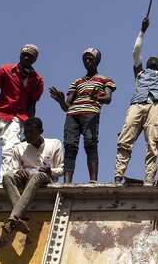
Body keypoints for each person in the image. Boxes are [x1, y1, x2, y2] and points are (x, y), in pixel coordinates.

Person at [0, 44, 44, 186]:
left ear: (34, 60)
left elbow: (32, 105)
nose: (25, 58)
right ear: (20, 56)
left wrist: (29, 127)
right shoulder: (5, 69)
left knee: (10, 149)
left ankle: (3, 179)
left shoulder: (37, 80)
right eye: (24, 55)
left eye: (29, 56)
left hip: (18, 118)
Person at [115, 14, 158, 185]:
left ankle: (149, 179)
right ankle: (118, 175)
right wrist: (142, 31)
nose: (154, 61)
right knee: (126, 138)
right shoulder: (139, 73)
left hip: (155, 104)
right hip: (137, 104)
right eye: (151, 61)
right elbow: (135, 52)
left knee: (153, 142)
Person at [49, 48, 116, 183]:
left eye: (90, 59)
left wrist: (96, 97)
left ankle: (93, 180)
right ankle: (67, 182)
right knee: (70, 146)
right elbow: (67, 106)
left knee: (90, 144)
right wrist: (61, 101)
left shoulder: (104, 80)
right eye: (85, 59)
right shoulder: (77, 82)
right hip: (72, 114)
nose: (87, 61)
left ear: (97, 61)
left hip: (91, 113)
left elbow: (108, 98)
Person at [1, 117, 63, 234]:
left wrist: (51, 171)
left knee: (37, 175)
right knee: (7, 177)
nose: (28, 135)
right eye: (26, 132)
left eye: (32, 132)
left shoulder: (55, 144)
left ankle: (12, 220)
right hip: (26, 178)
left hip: (46, 177)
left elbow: (61, 169)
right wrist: (18, 171)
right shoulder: (19, 148)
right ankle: (22, 218)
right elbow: (13, 169)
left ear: (41, 132)